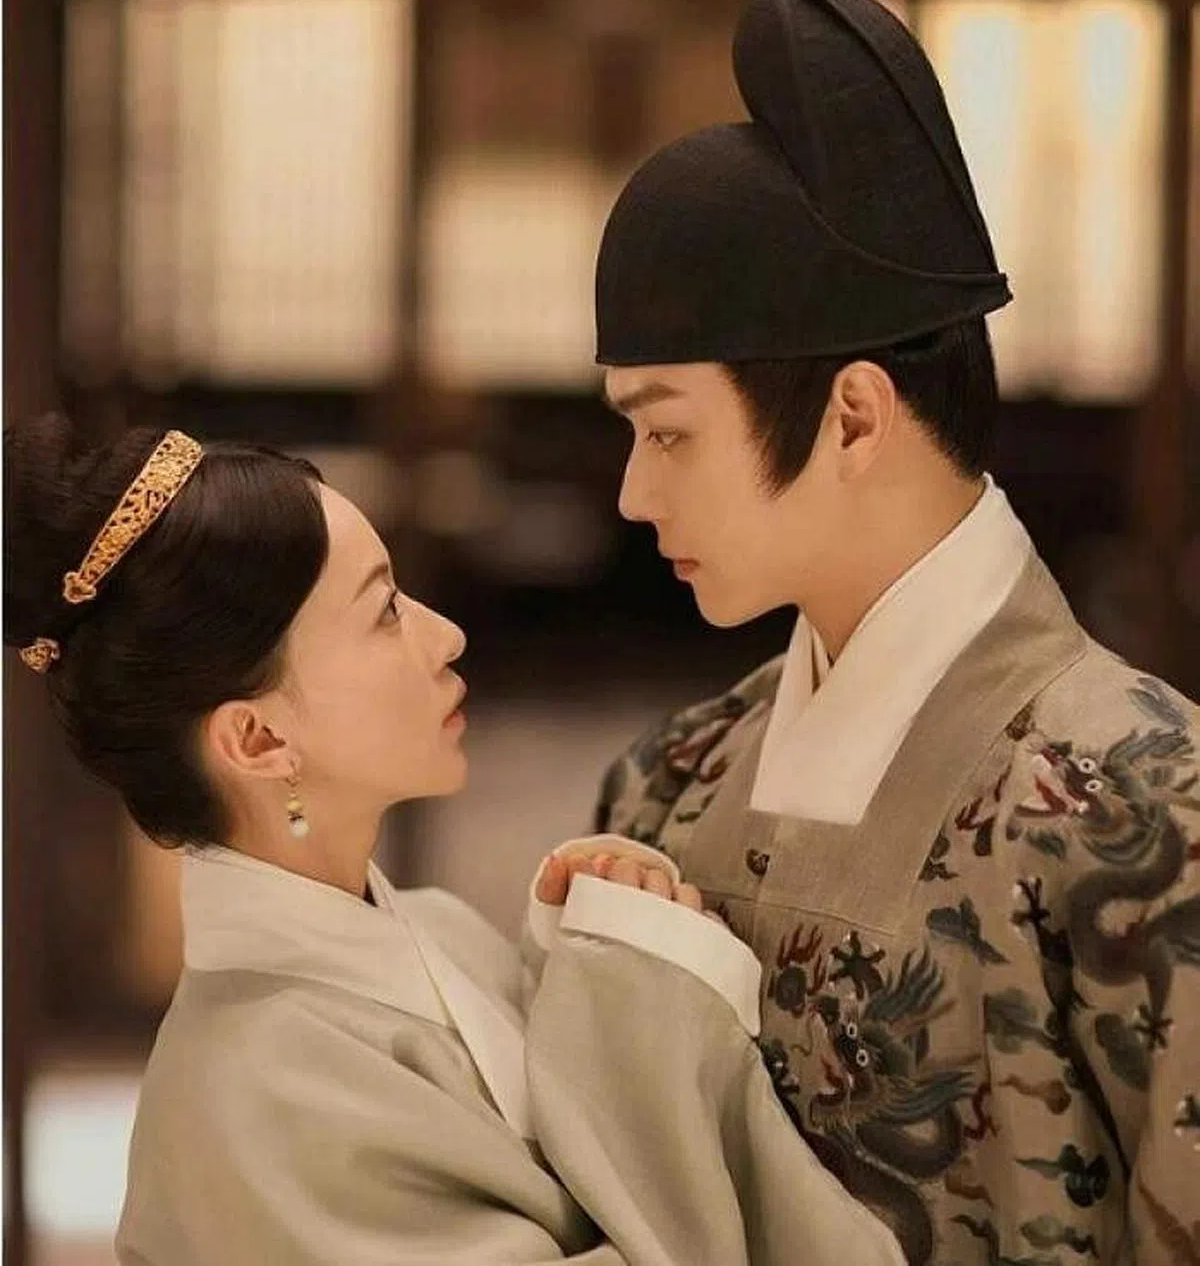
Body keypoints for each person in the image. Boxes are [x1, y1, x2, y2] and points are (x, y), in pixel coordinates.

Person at [592, 0, 1199, 1266]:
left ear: (855, 415)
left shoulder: (1146, 800)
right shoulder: (667, 787)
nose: (633, 493)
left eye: (669, 432)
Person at [4, 413, 903, 1266]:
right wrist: (643, 993)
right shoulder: (253, 1099)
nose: (446, 634)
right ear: (259, 738)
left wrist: (583, 958)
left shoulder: (437, 931)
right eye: (386, 611)